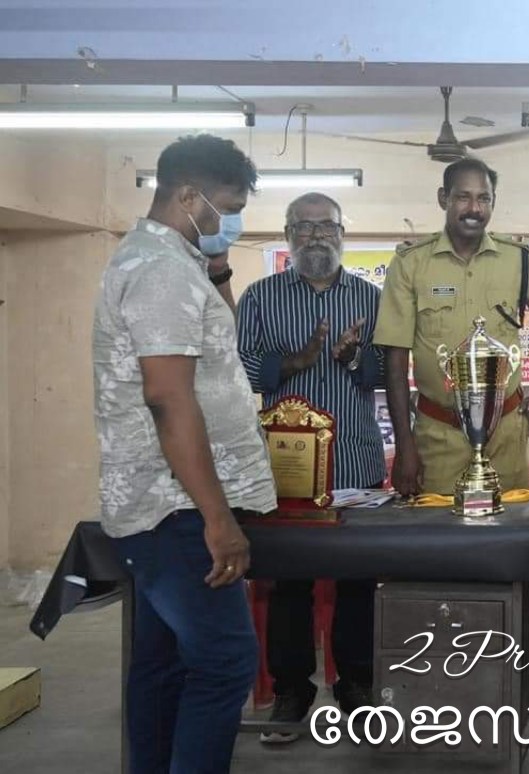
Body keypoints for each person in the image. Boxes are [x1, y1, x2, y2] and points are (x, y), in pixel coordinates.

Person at [92, 134, 275, 772]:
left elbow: (214, 357)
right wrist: (218, 519)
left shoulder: (171, 260)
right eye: (230, 207)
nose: (233, 222)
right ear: (190, 197)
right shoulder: (162, 272)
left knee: (164, 664)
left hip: (170, 504)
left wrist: (217, 267)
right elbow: (169, 399)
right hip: (178, 509)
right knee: (225, 662)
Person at [237, 192, 385, 741]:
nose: (317, 235)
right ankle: (291, 691)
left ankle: (356, 685)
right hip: (287, 468)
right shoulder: (260, 297)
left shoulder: (372, 298)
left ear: (342, 233)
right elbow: (239, 369)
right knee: (289, 581)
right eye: (305, 226)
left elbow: (390, 369)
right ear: (287, 234)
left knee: (358, 579)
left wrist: (353, 357)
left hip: (354, 458)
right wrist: (293, 362)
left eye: (327, 226)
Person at [373, 158, 529, 496]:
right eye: (463, 197)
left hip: (505, 437)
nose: (474, 209)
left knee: (510, 526)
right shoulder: (411, 264)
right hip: (438, 437)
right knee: (439, 527)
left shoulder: (518, 259)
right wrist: (404, 445)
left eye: (484, 198)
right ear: (443, 198)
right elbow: (395, 358)